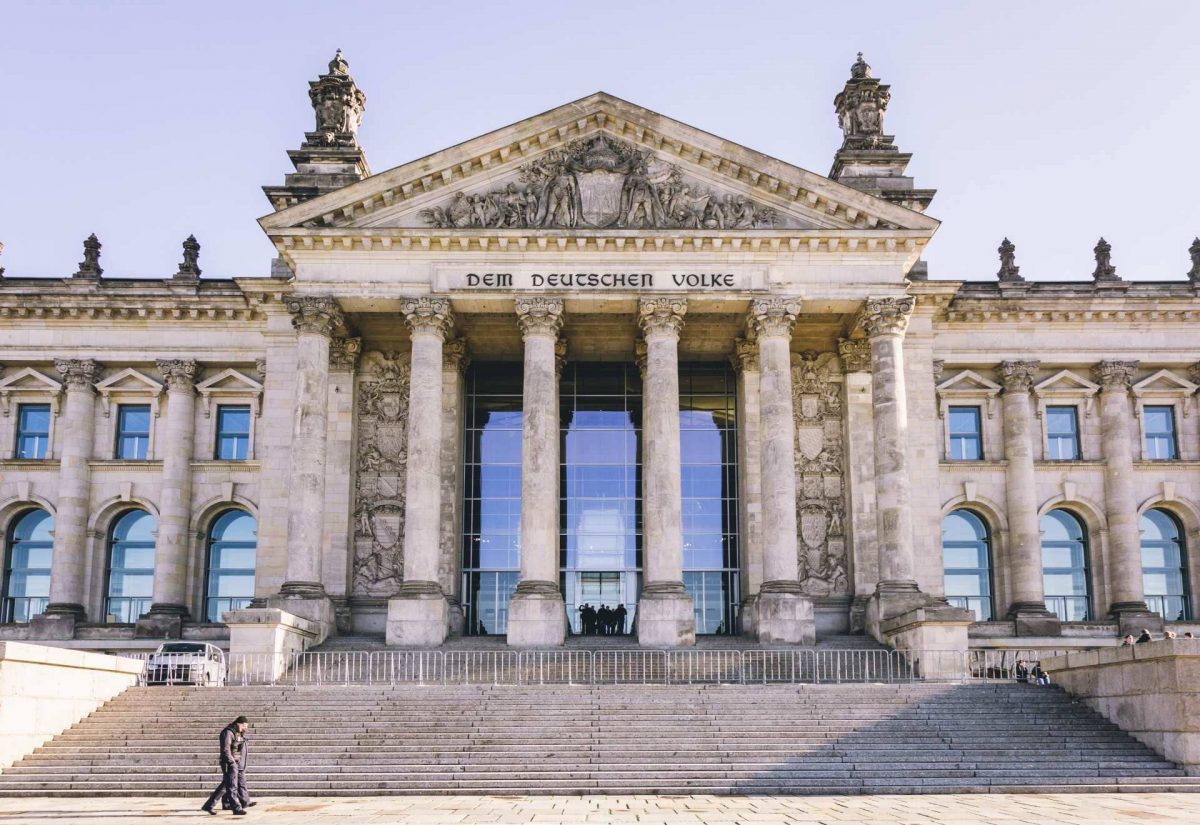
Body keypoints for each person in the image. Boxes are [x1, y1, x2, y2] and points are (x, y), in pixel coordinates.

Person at [202, 716, 250, 816]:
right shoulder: (228, 732)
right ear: (238, 723)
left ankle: (208, 805)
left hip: (234, 762)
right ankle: (236, 808)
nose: (245, 729)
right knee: (232, 786)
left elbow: (239, 744)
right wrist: (231, 762)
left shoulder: (236, 732)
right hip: (229, 763)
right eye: (244, 726)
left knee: (225, 786)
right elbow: (226, 749)